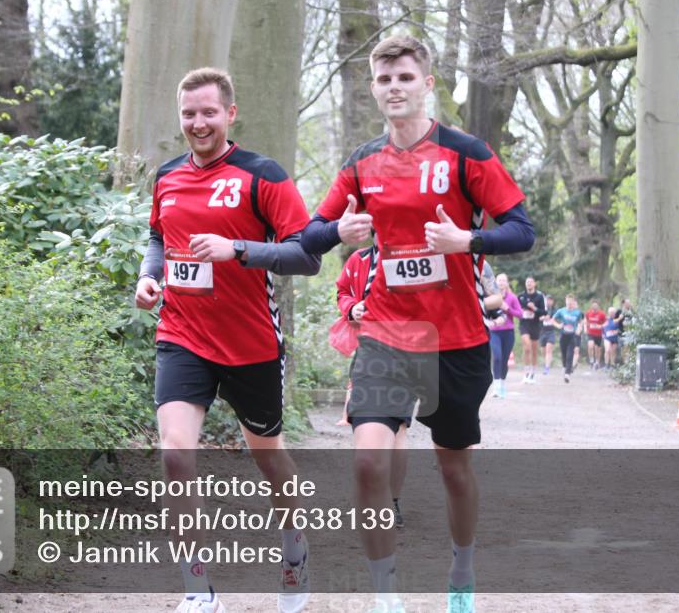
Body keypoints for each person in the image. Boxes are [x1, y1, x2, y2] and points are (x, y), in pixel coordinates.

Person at [300, 35, 534, 613]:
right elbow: (309, 235)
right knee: (367, 459)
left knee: (454, 468)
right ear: (374, 89)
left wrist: (467, 239)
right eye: (384, 80)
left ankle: (462, 570)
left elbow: (522, 230)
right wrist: (339, 233)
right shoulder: (361, 163)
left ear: (427, 84)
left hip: (457, 339)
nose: (394, 88)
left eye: (405, 77)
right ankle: (386, 595)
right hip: (386, 333)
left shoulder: (466, 153)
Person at [134, 67, 320, 613]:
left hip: (250, 343)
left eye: (208, 112)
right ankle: (198, 590)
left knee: (269, 460)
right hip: (182, 334)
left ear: (230, 113)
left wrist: (238, 249)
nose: (198, 123)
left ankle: (295, 552)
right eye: (189, 113)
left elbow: (307, 255)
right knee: (174, 452)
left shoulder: (263, 175)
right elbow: (157, 238)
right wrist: (150, 276)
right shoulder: (166, 177)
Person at [333, 246, 409, 528]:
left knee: (397, 426)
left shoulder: (417, 252)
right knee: (363, 421)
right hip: (367, 348)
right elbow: (342, 291)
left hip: (407, 347)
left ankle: (392, 502)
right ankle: (371, 496)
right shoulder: (360, 259)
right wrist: (352, 308)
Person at [488, 273, 523, 398]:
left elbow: (520, 314)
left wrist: (507, 309)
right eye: (499, 280)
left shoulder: (512, 298)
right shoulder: (491, 297)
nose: (501, 283)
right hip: (494, 331)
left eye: (503, 280)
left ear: (507, 283)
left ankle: (502, 385)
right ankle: (496, 388)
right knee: (497, 357)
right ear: (495, 282)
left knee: (504, 360)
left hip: (508, 332)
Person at [517, 277, 548, 384]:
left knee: (534, 350)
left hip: (535, 325)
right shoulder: (521, 296)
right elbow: (516, 309)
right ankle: (525, 373)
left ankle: (532, 373)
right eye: (527, 282)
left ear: (534, 284)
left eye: (531, 282)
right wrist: (522, 311)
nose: (529, 284)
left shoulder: (539, 296)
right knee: (527, 347)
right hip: (524, 324)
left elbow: (544, 312)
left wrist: (534, 309)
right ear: (525, 284)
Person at [552, 294, 584, 384]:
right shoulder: (561, 311)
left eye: (571, 303)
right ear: (565, 302)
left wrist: (579, 329)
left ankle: (567, 374)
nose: (569, 304)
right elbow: (552, 319)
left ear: (574, 303)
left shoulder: (577, 313)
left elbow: (581, 322)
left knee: (570, 354)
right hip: (563, 335)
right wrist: (558, 325)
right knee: (564, 354)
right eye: (568, 303)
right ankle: (564, 367)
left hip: (572, 336)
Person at [585, 300, 607, 370]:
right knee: (590, 345)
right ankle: (591, 360)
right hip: (590, 333)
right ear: (591, 306)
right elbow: (585, 320)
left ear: (598, 306)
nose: (594, 307)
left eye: (596, 305)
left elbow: (606, 323)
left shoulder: (602, 314)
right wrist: (585, 328)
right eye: (593, 305)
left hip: (598, 334)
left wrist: (601, 326)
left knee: (597, 349)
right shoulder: (588, 313)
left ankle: (597, 362)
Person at [539, 297, 558, 375]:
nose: (548, 301)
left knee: (548, 349)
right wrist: (542, 318)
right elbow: (537, 317)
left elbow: (557, 318)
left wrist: (550, 318)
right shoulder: (541, 309)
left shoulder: (555, 310)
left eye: (550, 300)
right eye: (547, 300)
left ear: (553, 301)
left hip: (551, 331)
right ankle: (547, 362)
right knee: (543, 351)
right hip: (542, 331)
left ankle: (547, 368)